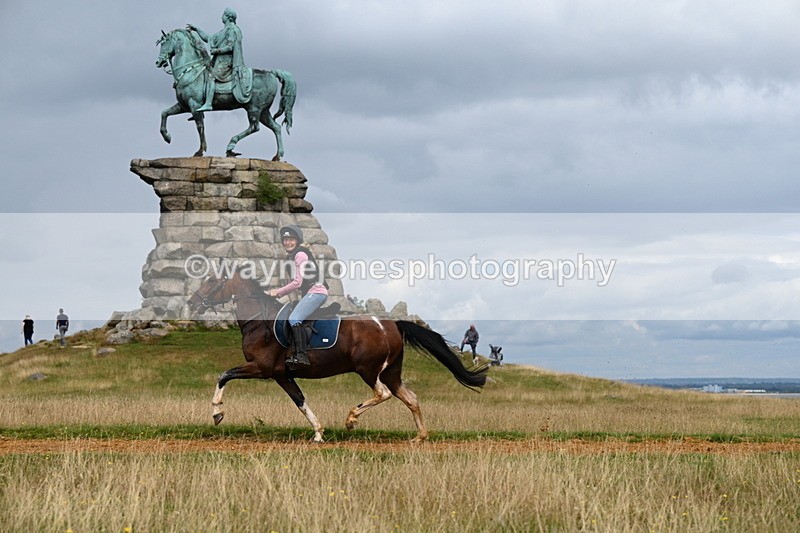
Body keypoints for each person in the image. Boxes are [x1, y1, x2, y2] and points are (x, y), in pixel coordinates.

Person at [267, 225, 328, 367]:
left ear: (297, 240)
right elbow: (294, 285)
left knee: (294, 318)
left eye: (291, 239)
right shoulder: (291, 257)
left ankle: (301, 356)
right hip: (311, 293)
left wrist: (278, 292)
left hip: (317, 292)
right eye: (285, 240)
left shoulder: (300, 255)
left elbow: (297, 283)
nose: (287, 242)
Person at [186, 7, 252, 111]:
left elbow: (231, 47)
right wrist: (196, 29)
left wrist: (216, 51)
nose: (221, 17)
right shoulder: (224, 31)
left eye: (223, 15)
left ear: (228, 17)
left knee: (211, 76)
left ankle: (208, 103)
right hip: (220, 61)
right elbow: (208, 38)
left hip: (227, 62)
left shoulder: (233, 30)